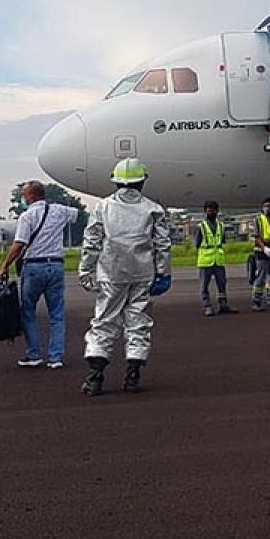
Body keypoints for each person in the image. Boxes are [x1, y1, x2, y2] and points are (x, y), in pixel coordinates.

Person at [78, 158, 172, 396]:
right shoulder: (153, 208)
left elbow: (91, 242)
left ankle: (95, 377)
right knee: (138, 323)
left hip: (111, 272)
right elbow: (162, 244)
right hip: (143, 273)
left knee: (104, 322)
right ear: (142, 181)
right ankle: (132, 376)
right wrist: (164, 273)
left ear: (116, 181)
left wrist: (86, 270)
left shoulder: (103, 207)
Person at [0, 180, 79, 368]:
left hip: (34, 267)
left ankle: (34, 353)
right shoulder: (59, 210)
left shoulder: (27, 217)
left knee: (28, 311)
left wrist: (4, 266)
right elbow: (76, 214)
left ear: (32, 196)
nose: (22, 199)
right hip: (56, 265)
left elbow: (19, 244)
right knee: (57, 313)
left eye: (24, 196)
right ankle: (55, 357)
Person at [194, 200, 237, 317]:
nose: (210, 212)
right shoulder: (201, 227)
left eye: (212, 210)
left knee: (222, 283)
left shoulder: (221, 226)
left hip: (218, 259)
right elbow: (197, 243)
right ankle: (207, 306)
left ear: (217, 211)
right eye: (208, 210)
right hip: (205, 260)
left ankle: (223, 305)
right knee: (204, 285)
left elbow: (222, 240)